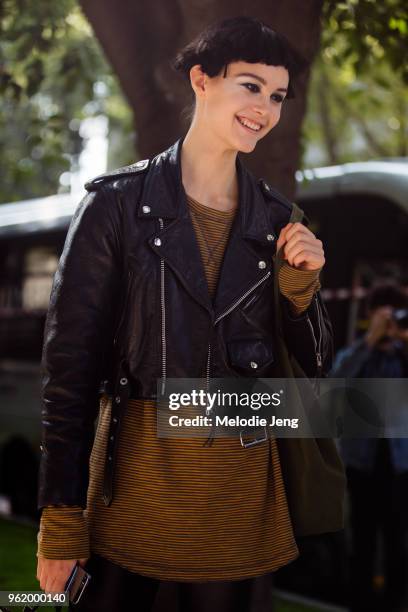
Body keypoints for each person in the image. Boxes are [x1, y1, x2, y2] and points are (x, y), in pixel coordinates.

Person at [36, 16, 345, 612]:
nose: (265, 108)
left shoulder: (282, 221)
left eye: (277, 95)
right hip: (131, 506)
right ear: (201, 80)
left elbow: (311, 379)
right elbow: (68, 374)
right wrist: (61, 516)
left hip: (241, 517)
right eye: (250, 86)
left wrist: (301, 291)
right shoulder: (114, 206)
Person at [331, 282, 408, 612]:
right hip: (361, 464)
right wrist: (369, 342)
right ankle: (358, 604)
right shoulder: (355, 354)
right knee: (360, 543)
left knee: (399, 545)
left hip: (400, 466)